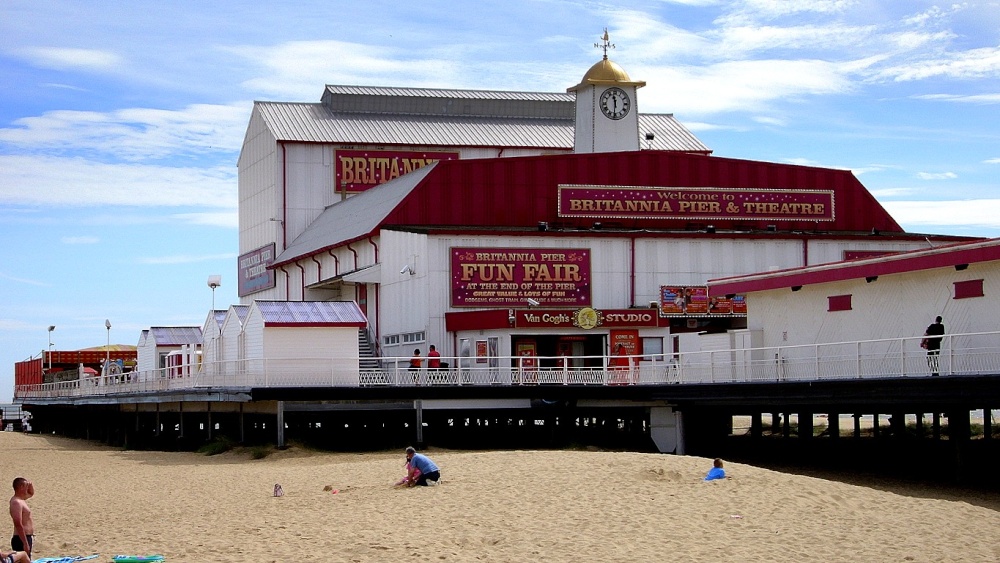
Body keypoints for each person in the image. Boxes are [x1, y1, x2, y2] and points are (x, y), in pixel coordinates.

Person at [9, 477, 33, 559]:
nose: (27, 487)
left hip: (26, 537)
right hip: (20, 539)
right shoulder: (16, 502)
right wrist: (25, 543)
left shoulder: (21, 499)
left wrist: (30, 485)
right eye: (26, 485)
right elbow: (18, 523)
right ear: (21, 487)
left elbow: (31, 493)